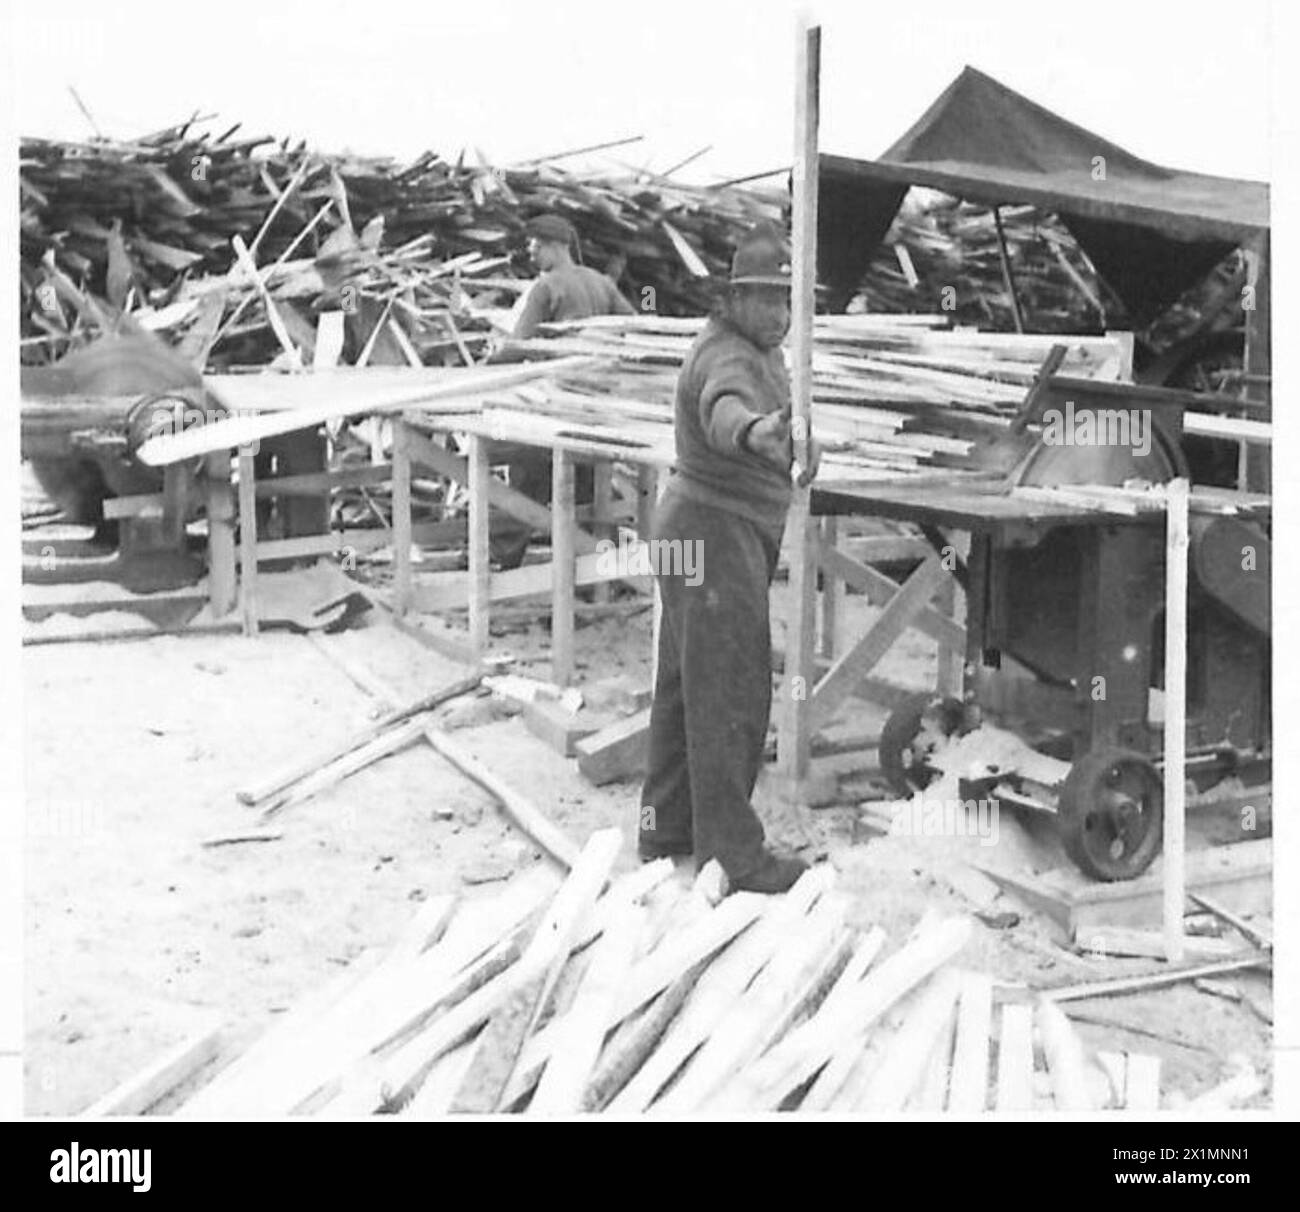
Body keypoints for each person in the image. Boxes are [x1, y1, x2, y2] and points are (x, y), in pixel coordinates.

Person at [638, 222, 820, 895]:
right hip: (714, 531)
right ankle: (735, 857)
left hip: (698, 525)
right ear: (735, 298)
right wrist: (755, 434)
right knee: (731, 692)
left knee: (688, 684)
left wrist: (793, 440)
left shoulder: (758, 350)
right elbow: (725, 411)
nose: (780, 315)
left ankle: (666, 829)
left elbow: (770, 418)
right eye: (767, 300)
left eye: (788, 302)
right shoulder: (729, 356)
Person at [491, 213, 637, 568]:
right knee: (589, 488)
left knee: (525, 480)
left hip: (555, 410)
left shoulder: (547, 287)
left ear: (557, 246)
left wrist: (482, 370)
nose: (533, 255)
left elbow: (518, 347)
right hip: (595, 412)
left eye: (537, 248)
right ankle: (603, 570)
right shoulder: (602, 283)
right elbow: (635, 323)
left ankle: (502, 565)